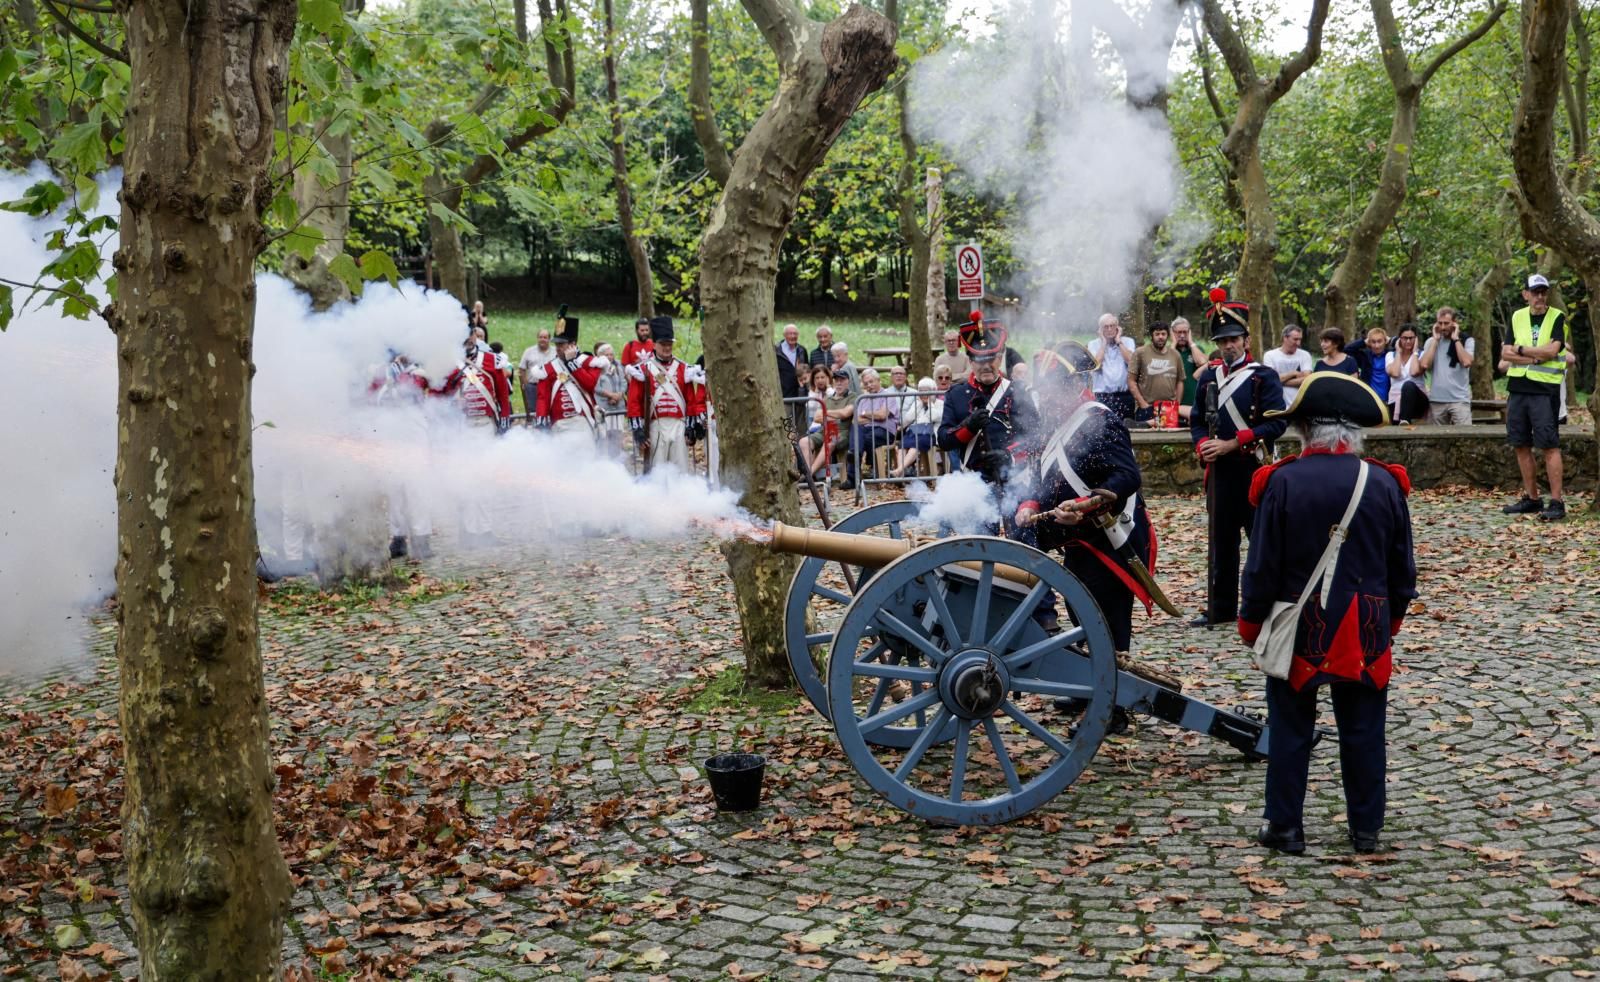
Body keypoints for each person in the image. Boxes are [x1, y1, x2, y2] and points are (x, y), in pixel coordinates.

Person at [1239, 372, 1416, 855]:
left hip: (1302, 625)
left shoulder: (1282, 481)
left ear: (1305, 430)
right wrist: (1390, 623)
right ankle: (1366, 829)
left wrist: (1251, 623)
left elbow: (1262, 567)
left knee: (1291, 728)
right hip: (1367, 624)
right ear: (1353, 432)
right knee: (1364, 730)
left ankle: (1285, 827)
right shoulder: (1384, 482)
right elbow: (1403, 571)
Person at [1015, 339, 1158, 650]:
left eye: (1051, 388)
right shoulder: (1052, 423)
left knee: (1108, 619)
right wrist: (1030, 502)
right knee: (1081, 613)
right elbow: (1041, 472)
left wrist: (1082, 506)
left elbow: (1126, 476)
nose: (1046, 396)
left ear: (1075, 384)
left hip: (1108, 540)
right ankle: (1093, 687)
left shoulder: (1101, 420)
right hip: (1078, 541)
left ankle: (1115, 688)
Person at [1189, 289, 1287, 628]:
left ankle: (1260, 607)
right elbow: (1198, 419)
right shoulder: (1209, 378)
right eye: (1222, 340)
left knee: (1260, 544)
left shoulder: (1263, 377)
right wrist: (1203, 443)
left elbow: (1277, 423)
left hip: (1253, 469)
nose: (1228, 346)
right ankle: (1221, 608)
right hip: (1220, 473)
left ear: (1246, 339)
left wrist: (1233, 443)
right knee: (1221, 545)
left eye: (1233, 339)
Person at [938, 318, 1037, 503]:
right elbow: (944, 440)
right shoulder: (956, 394)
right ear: (970, 361)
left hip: (1016, 482)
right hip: (974, 486)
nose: (986, 365)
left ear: (1000, 357)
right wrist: (969, 427)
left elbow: (1037, 437)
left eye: (991, 358)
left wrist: (1009, 456)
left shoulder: (1018, 392)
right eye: (979, 359)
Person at [1499, 273, 1568, 521]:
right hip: (1518, 388)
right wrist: (1531, 356)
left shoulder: (1557, 317)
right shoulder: (1517, 316)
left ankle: (1557, 501)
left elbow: (1552, 351)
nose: (1540, 296)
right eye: (1535, 291)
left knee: (1549, 445)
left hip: (1544, 390)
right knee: (1520, 444)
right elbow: (1506, 353)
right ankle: (1532, 498)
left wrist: (1521, 350)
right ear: (1525, 294)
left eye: (1543, 292)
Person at [436, 330, 513, 548]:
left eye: (468, 335)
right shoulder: (451, 364)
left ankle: (485, 529)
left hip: (485, 424)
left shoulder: (490, 360)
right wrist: (453, 404)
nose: (466, 340)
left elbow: (502, 394)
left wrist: (504, 422)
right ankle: (469, 531)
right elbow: (441, 395)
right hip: (463, 426)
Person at [369, 350, 433, 561]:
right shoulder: (383, 372)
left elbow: (413, 389)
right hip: (390, 434)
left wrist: (391, 375)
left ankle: (421, 538)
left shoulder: (419, 372)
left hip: (414, 435)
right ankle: (398, 537)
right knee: (394, 490)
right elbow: (371, 396)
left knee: (417, 489)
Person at [626, 315, 706, 472]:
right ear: (654, 345)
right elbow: (634, 401)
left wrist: (691, 426)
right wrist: (637, 430)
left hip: (679, 424)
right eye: (663, 344)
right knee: (657, 470)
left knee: (680, 469)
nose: (667, 347)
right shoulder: (643, 369)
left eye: (669, 344)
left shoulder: (684, 369)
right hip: (656, 425)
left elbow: (690, 400)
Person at [531, 312, 607, 438]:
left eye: (561, 344)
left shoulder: (588, 362)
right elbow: (542, 398)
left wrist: (572, 363)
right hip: (559, 425)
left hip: (583, 423)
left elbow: (589, 385)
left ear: (573, 344)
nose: (557, 348)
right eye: (556, 344)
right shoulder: (548, 368)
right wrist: (541, 421)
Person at [1418, 306, 1475, 425]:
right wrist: (1435, 340)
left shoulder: (1467, 341)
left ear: (1454, 323)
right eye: (1440, 323)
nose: (1443, 327)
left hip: (1459, 400)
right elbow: (1424, 364)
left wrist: (1456, 339)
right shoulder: (1431, 342)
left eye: (1446, 323)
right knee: (1436, 441)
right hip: (1437, 400)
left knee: (1465, 438)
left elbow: (1466, 362)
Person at [800, 365, 855, 484]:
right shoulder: (828, 399)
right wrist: (835, 415)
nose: (839, 383)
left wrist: (827, 413)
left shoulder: (853, 397)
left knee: (830, 440)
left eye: (842, 380)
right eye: (837, 380)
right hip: (824, 429)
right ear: (833, 382)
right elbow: (817, 417)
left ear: (848, 382)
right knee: (804, 441)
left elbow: (846, 413)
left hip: (842, 432)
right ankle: (810, 475)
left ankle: (808, 475)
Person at [1129, 320, 1183, 426]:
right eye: (1157, 334)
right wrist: (1142, 403)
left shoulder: (1175, 354)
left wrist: (1177, 403)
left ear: (1167, 335)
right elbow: (1131, 381)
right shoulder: (1140, 353)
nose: (1160, 337)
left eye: (1163, 334)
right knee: (1146, 440)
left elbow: (1180, 381)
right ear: (1151, 336)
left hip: (1169, 407)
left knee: (1170, 440)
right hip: (1147, 407)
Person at [851, 368, 899, 483]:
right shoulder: (863, 399)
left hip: (885, 431)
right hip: (868, 430)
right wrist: (874, 418)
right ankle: (854, 469)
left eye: (871, 382)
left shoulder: (888, 395)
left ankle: (870, 465)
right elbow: (856, 420)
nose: (869, 385)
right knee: (856, 435)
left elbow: (882, 415)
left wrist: (865, 414)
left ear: (878, 380)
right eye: (866, 383)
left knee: (868, 437)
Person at [1087, 313, 1138, 419]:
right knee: (1105, 430)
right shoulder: (1093, 344)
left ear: (1117, 327)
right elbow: (1096, 366)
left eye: (1112, 326)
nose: (1109, 329)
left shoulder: (1128, 342)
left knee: (1126, 430)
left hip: (1124, 396)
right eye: (1106, 327)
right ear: (1100, 330)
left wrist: (1119, 341)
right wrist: (1104, 343)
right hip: (1103, 396)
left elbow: (1131, 362)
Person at [890, 377, 942, 478]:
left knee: (915, 445)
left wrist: (930, 403)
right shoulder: (918, 404)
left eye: (926, 392)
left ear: (933, 391)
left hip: (929, 434)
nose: (923, 394)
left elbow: (934, 417)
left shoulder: (939, 404)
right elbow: (907, 419)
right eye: (921, 391)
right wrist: (918, 404)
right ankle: (901, 473)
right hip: (915, 432)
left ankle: (899, 470)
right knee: (902, 445)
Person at [1384, 324, 1427, 424]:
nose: (1408, 341)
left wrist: (1415, 352)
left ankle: (1405, 419)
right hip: (1395, 398)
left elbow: (1414, 372)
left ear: (1416, 339)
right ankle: (1403, 420)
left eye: (1411, 338)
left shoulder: (1421, 354)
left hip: (1417, 398)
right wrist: (1398, 352)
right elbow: (1395, 373)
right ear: (1399, 339)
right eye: (1405, 338)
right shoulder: (1390, 355)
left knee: (1408, 385)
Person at [1261, 325, 1314, 407]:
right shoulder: (1270, 355)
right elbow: (1270, 380)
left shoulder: (1305, 355)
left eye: (1300, 339)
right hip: (1276, 404)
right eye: (1295, 339)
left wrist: (1279, 381)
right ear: (1285, 338)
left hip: (1299, 404)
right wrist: (1293, 373)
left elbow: (1307, 381)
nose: (1298, 343)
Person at [775, 322, 810, 437]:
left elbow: (806, 369)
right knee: (787, 429)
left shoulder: (802, 350)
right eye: (790, 334)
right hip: (784, 396)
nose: (793, 336)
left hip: (800, 395)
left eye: (795, 334)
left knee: (801, 429)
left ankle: (801, 453)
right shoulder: (776, 351)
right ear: (784, 335)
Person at [594, 342, 628, 455]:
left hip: (619, 406)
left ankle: (616, 458)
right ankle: (604, 460)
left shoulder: (618, 366)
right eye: (606, 355)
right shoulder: (596, 368)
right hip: (604, 407)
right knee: (605, 435)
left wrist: (619, 394)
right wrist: (609, 395)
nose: (610, 357)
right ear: (600, 356)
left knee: (617, 434)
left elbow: (624, 382)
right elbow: (595, 387)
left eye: (611, 354)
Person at [1343, 327, 1391, 403]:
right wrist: (1363, 342)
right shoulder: (1364, 356)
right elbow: (1346, 350)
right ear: (1369, 343)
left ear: (1385, 341)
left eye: (1379, 341)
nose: (1377, 346)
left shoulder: (1391, 355)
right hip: (1368, 399)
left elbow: (1403, 347)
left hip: (1389, 399)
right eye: (1373, 342)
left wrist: (1391, 340)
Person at [1173, 317, 1207, 422]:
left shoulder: (1196, 349)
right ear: (1172, 333)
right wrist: (1173, 345)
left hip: (1193, 401)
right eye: (1179, 332)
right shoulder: (1168, 350)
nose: (1182, 335)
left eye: (1185, 332)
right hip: (1174, 402)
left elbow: (1202, 362)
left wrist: (1191, 343)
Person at [516, 328, 556, 416]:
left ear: (549, 339)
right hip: (533, 386)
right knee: (533, 410)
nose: (542, 339)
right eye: (540, 337)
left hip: (551, 386)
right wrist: (525, 383)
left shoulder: (555, 351)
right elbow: (522, 369)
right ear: (537, 338)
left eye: (545, 337)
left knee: (551, 408)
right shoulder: (529, 351)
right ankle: (535, 428)